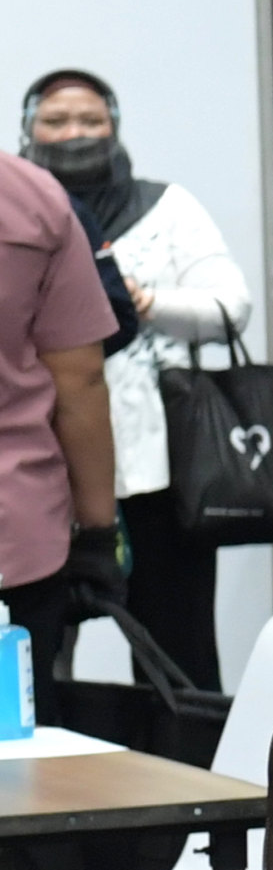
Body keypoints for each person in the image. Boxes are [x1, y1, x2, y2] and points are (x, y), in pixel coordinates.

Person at [20, 72, 251, 684]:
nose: (74, 134)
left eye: (90, 121)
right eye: (57, 121)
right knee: (38, 661)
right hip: (42, 474)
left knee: (177, 651)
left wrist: (138, 301)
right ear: (27, 130)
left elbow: (232, 307)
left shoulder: (165, 205)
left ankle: (187, 775)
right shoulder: (18, 211)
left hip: (160, 470)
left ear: (115, 127)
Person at [0, 136, 119, 676]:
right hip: (14, 533)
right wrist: (98, 532)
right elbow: (81, 380)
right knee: (19, 744)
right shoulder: (30, 196)